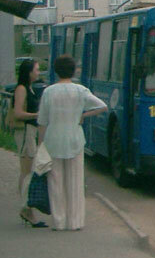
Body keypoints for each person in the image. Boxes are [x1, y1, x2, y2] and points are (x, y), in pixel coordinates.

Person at [36, 54, 107, 231]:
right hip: (75, 140)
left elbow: (42, 122)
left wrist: (40, 145)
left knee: (55, 182)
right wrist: (82, 115)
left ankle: (59, 222)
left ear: (56, 71)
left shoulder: (48, 92)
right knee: (75, 182)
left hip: (53, 140)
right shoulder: (80, 90)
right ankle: (75, 222)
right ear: (74, 70)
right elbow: (102, 106)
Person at [14, 59, 44, 227]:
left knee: (28, 171)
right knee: (26, 172)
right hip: (25, 131)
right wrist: (36, 115)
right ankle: (26, 209)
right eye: (37, 69)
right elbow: (18, 113)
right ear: (29, 72)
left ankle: (27, 209)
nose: (38, 72)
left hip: (30, 132)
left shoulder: (30, 88)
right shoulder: (21, 89)